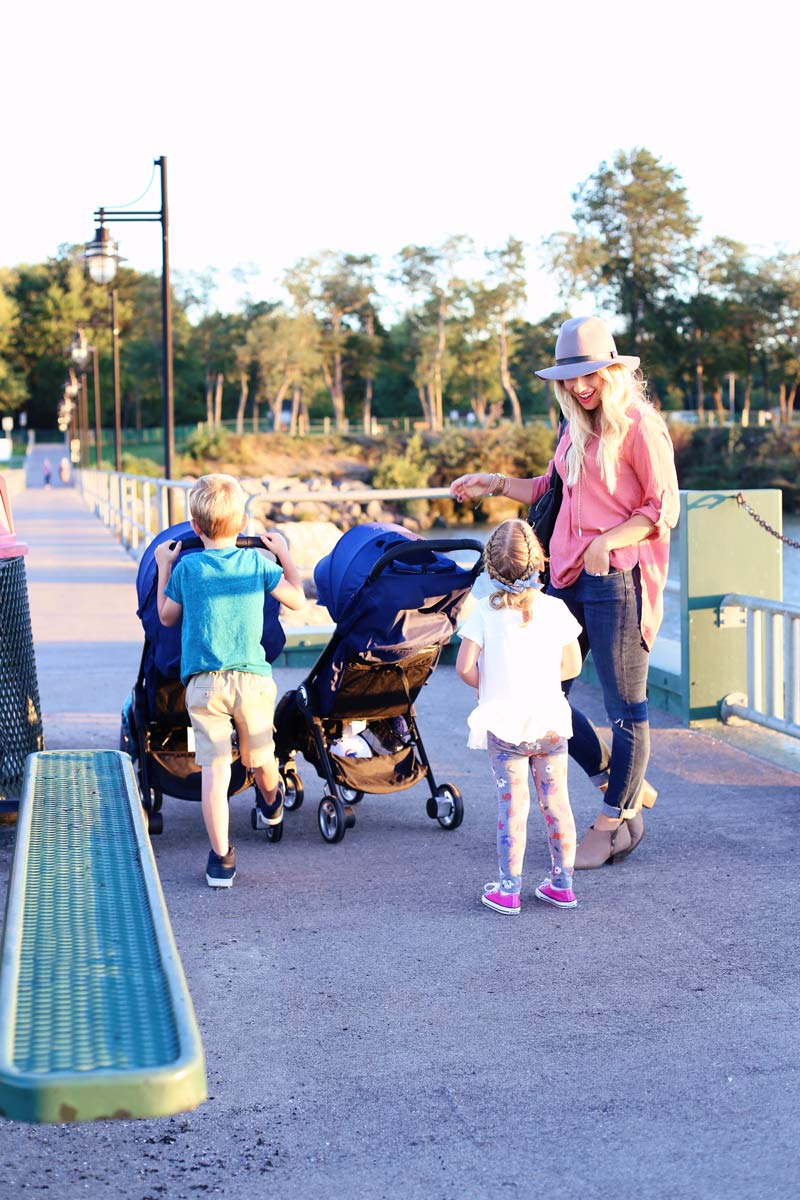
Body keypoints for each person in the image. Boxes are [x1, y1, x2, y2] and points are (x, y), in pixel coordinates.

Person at [451, 316, 679, 870]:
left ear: (613, 370)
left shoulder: (640, 427)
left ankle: (613, 821)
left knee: (627, 707)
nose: (579, 387)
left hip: (620, 580)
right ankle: (617, 780)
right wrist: (495, 483)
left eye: (590, 376)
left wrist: (609, 541)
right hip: (565, 580)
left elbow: (663, 508)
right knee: (543, 694)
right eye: (569, 379)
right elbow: (549, 492)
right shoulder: (575, 427)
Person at [154, 473, 305, 887]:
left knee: (216, 774)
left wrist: (164, 567)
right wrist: (284, 555)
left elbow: (166, 616)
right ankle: (272, 803)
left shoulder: (187, 568)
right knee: (262, 759)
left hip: (204, 686)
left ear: (196, 528)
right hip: (252, 684)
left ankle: (221, 860)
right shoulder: (257, 563)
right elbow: (298, 598)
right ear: (242, 524)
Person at [456, 519, 583, 913]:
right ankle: (562, 884)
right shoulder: (556, 609)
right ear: (541, 562)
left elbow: (464, 668)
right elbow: (572, 666)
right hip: (548, 723)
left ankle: (508, 889)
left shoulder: (481, 613)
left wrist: (488, 683)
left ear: (490, 568)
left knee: (513, 807)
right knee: (557, 803)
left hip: (506, 726)